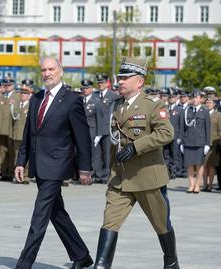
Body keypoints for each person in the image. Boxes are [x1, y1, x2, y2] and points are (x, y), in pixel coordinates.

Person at [93, 57, 179, 269]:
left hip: (147, 178)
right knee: (109, 222)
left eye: (125, 78)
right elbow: (115, 142)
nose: (120, 81)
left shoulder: (153, 105)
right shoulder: (116, 106)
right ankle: (101, 265)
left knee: (161, 224)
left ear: (139, 81)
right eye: (119, 78)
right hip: (120, 178)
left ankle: (171, 262)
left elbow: (167, 133)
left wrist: (136, 147)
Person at [14, 57, 93, 269]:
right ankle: (81, 255)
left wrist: (85, 168)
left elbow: (82, 137)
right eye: (43, 70)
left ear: (61, 71)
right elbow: (29, 133)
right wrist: (21, 161)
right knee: (56, 213)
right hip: (39, 165)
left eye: (51, 69)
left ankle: (24, 263)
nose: (47, 73)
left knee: (39, 215)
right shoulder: (36, 98)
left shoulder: (71, 99)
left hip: (57, 165)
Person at [180, 90, 210, 193]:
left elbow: (207, 128)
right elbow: (182, 128)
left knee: (199, 164)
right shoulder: (187, 110)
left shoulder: (204, 111)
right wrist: (181, 142)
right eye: (193, 98)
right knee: (189, 164)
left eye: (196, 97)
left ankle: (197, 185)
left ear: (200, 99)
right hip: (188, 141)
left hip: (200, 142)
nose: (194, 100)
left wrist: (207, 144)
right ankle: (191, 184)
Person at [94, 73, 117, 183]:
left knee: (107, 154)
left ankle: (106, 175)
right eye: (98, 83)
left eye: (102, 83)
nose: (100, 85)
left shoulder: (112, 96)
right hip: (96, 130)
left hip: (107, 130)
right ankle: (98, 175)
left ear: (107, 83)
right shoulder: (95, 95)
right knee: (97, 154)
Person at [81, 79, 103, 183]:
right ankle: (84, 174)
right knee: (83, 154)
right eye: (83, 88)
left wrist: (99, 134)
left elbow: (100, 118)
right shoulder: (80, 101)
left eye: (87, 88)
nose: (85, 90)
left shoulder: (96, 101)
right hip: (83, 133)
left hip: (93, 132)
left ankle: (94, 174)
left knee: (94, 155)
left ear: (91, 89)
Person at [11, 79, 33, 184]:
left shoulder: (31, 106)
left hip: (26, 134)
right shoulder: (16, 105)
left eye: (25, 94)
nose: (23, 95)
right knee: (16, 156)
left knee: (27, 156)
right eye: (22, 93)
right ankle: (18, 175)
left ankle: (26, 176)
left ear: (29, 95)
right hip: (16, 133)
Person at [202, 97, 221, 192]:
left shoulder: (218, 115)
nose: (208, 104)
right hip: (203, 143)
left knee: (211, 165)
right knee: (204, 165)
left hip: (213, 143)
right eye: (207, 102)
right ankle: (204, 185)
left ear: (214, 104)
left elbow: (220, 130)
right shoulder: (203, 113)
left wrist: (219, 142)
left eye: (210, 103)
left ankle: (210, 185)